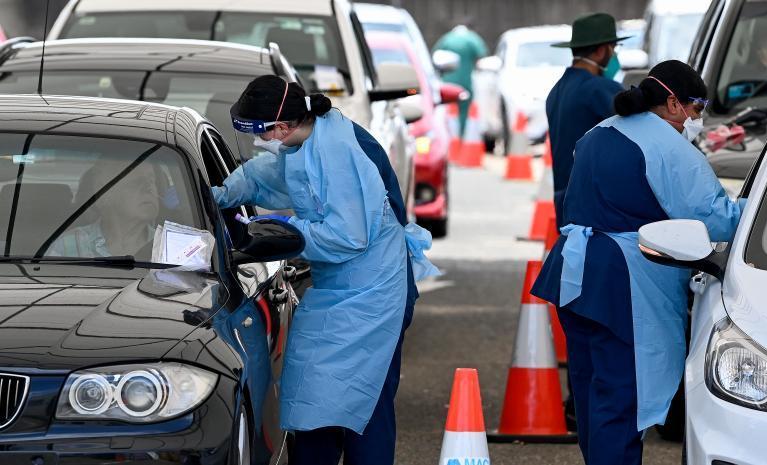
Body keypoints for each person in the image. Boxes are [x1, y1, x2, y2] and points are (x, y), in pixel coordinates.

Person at [212, 75, 438, 465]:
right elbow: (275, 174)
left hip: (374, 293)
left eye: (261, 133)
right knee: (315, 398)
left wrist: (283, 230)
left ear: (282, 126)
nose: (259, 142)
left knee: (363, 407)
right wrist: (228, 190)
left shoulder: (339, 150)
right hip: (339, 288)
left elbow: (347, 235)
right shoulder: (306, 140)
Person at [531, 60, 744, 465]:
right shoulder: (667, 146)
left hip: (573, 274)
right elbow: (716, 217)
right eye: (696, 109)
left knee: (593, 391)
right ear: (672, 103)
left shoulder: (598, 133)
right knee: (620, 401)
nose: (696, 121)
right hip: (621, 283)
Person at [548, 13, 627, 227]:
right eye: (613, 49)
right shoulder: (599, 89)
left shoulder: (557, 90)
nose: (613, 56)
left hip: (565, 204)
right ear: (602, 50)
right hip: (597, 208)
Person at [49, 158, 162, 258]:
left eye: (152, 180)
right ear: (106, 194)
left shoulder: (170, 247)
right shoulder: (67, 246)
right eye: (136, 182)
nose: (149, 188)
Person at [433, 21, 487, 137]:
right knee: (464, 113)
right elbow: (481, 57)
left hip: (447, 85)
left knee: (445, 114)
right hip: (466, 83)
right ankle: (461, 137)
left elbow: (435, 57)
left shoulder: (446, 39)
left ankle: (449, 138)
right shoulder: (472, 39)